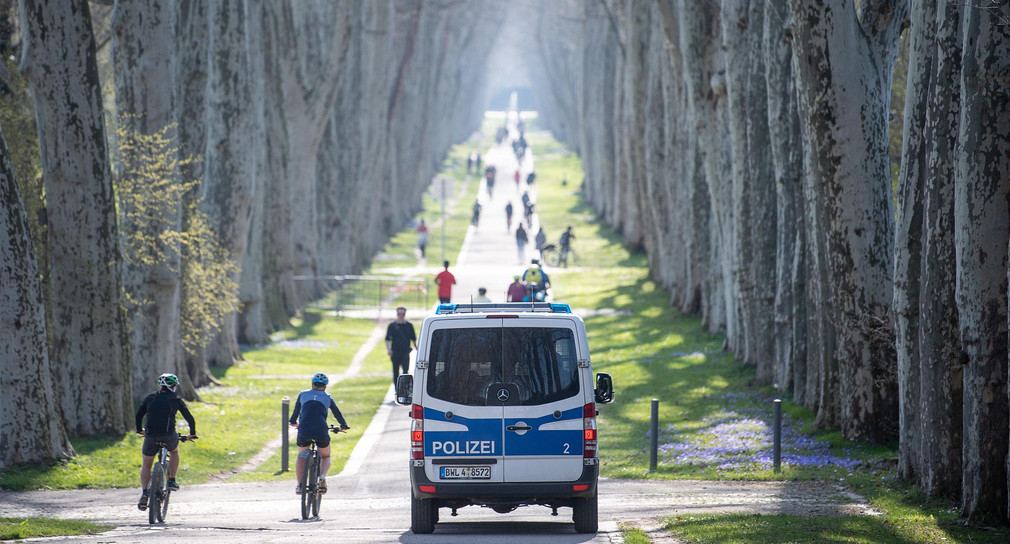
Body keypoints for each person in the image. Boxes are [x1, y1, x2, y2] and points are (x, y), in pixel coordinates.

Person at [135, 373, 197, 510]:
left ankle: (145, 492)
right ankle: (172, 480)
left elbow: (139, 415)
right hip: (168, 435)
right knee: (174, 451)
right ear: (173, 386)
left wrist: (140, 430)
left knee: (146, 464)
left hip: (151, 436)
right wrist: (192, 433)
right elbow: (189, 417)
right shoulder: (175, 399)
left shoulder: (150, 397)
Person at [289, 373, 349, 494]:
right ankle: (322, 476)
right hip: (321, 431)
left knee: (301, 455)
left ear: (312, 384)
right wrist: (343, 426)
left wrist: (294, 423)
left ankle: (300, 485)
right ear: (325, 387)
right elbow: (338, 414)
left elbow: (294, 415)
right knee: (325, 456)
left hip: (304, 431)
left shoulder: (303, 394)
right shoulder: (328, 398)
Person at [386, 307, 417, 382]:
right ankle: (396, 389)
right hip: (395, 351)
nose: (401, 316)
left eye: (402, 314)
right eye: (399, 314)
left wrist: (416, 347)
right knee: (395, 371)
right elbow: (387, 339)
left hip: (405, 351)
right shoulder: (392, 326)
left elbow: (413, 338)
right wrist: (389, 349)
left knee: (405, 371)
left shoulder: (409, 326)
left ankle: (405, 388)